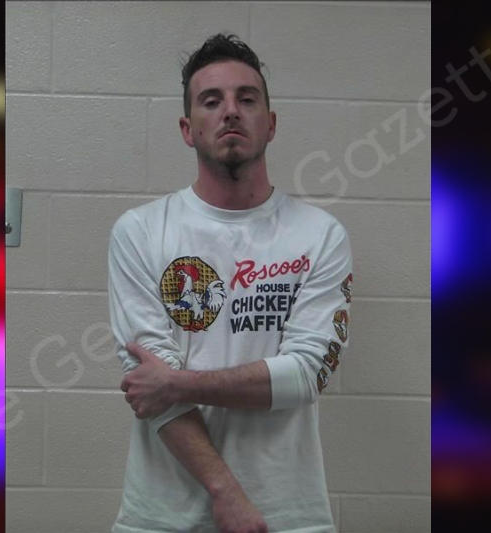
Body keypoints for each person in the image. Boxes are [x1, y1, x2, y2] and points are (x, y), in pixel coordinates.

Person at [108, 33, 353, 532]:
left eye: (247, 98)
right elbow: (148, 385)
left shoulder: (319, 235)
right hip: (162, 516)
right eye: (211, 100)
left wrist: (178, 382)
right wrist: (225, 490)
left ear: (271, 123)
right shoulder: (141, 231)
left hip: (288, 515)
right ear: (187, 129)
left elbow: (305, 375)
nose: (231, 111)